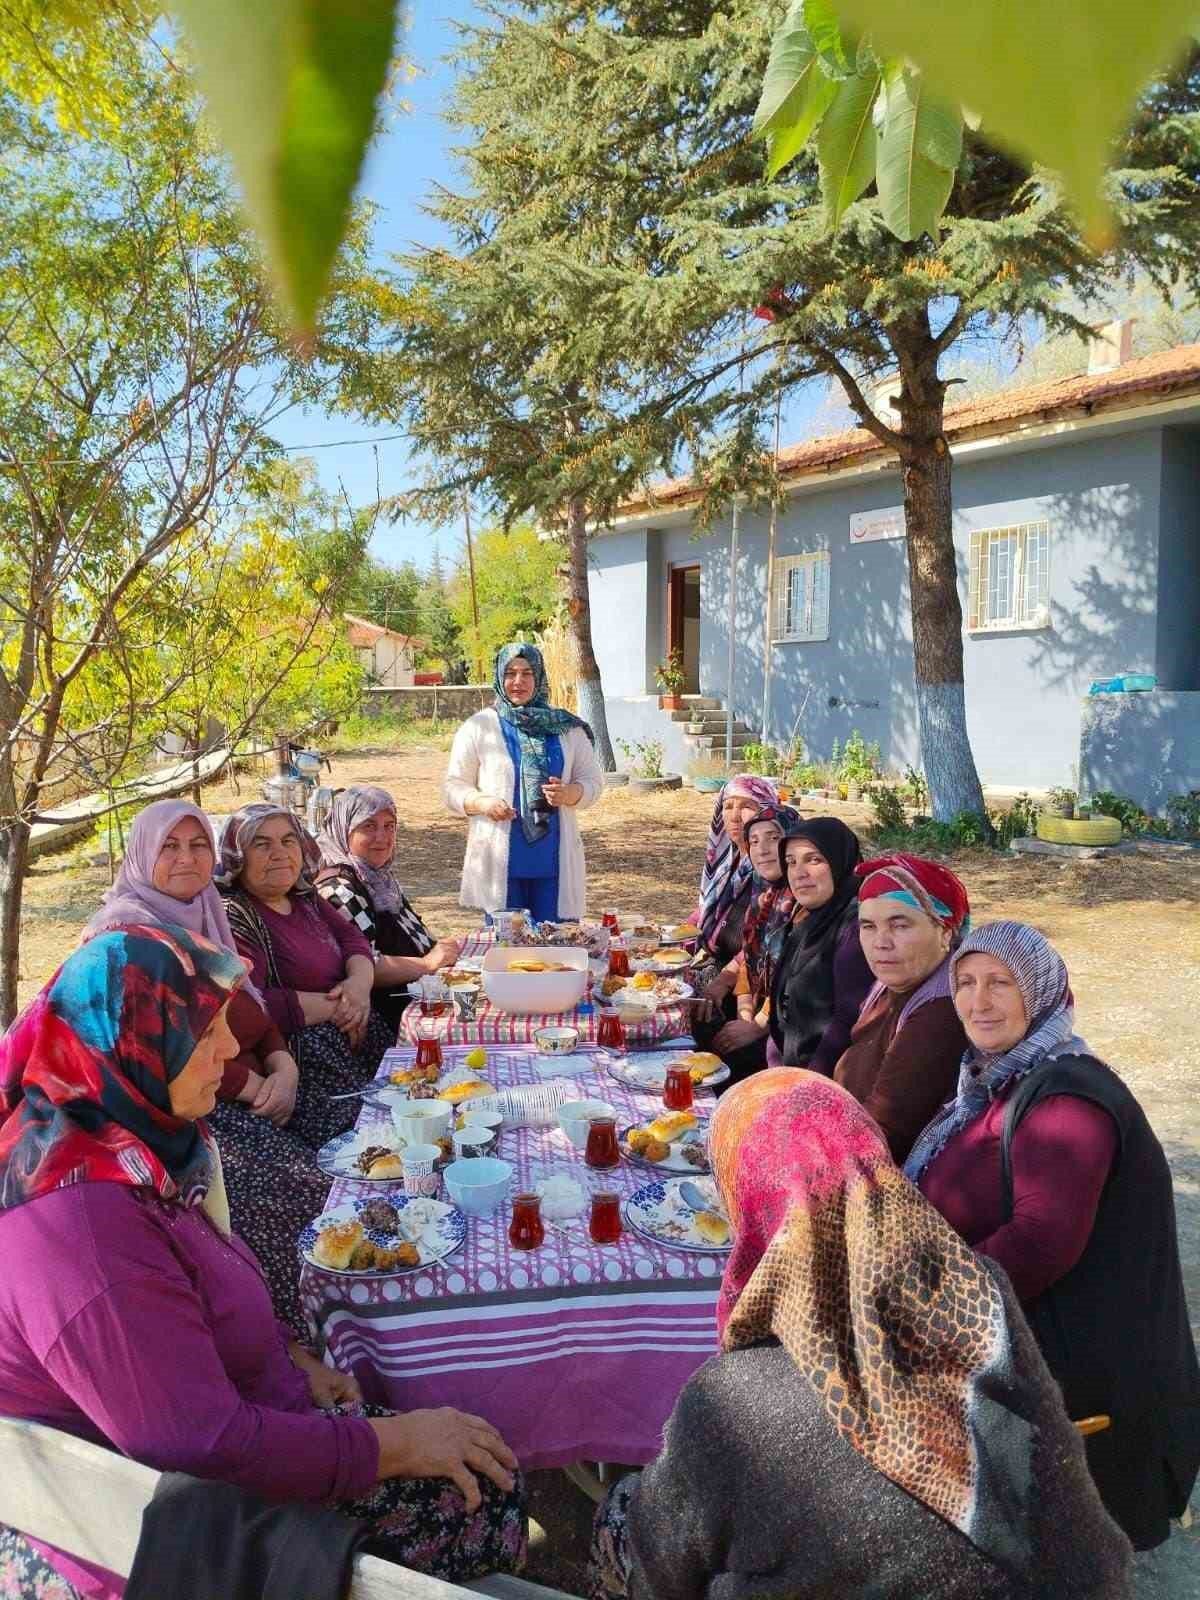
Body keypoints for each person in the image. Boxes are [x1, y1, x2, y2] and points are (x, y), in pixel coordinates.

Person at [0, 926, 526, 1596]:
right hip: (151, 1533)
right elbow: (199, 1444)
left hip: (218, 1457)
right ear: (132, 1041)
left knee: (472, 1453)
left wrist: (290, 1356)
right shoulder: (81, 1228)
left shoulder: (121, 1138)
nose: (228, 1049)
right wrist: (396, 1446)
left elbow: (189, 1301)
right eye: (206, 1031)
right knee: (486, 1494)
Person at [588, 1069, 1132, 1600]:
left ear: (745, 1197)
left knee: (623, 1513)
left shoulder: (733, 1394)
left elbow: (661, 1569)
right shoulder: (976, 1285)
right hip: (1077, 1581)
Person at [908, 920, 1200, 1551]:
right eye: (965, 982)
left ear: (1038, 991)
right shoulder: (997, 1076)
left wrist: (925, 1300)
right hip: (1015, 1336)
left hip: (1076, 1376)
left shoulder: (1068, 1095)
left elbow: (1041, 1242)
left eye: (1001, 983)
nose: (978, 1001)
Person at [83, 798, 300, 1123]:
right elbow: (159, 1052)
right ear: (143, 853)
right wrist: (255, 1088)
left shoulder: (208, 911)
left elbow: (252, 1010)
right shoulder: (127, 936)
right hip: (191, 1116)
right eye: (169, 846)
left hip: (260, 1092)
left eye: (198, 845)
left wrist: (285, 1067)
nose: (186, 858)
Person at [443, 643, 604, 924]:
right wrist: (483, 803)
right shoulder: (479, 727)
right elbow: (452, 787)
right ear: (499, 677)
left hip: (554, 865)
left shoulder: (567, 728)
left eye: (527, 673)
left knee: (559, 954)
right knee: (508, 956)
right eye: (510, 673)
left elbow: (593, 782)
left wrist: (570, 794)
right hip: (502, 865)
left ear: (539, 676)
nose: (518, 681)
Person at [832, 852, 970, 1163]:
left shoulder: (939, 1013)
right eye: (868, 926)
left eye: (900, 925)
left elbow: (881, 1137)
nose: (880, 942)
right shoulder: (890, 985)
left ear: (945, 932)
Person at [316, 786, 462, 1027]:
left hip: (420, 998)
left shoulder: (377, 878)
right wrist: (428, 964)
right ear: (344, 830)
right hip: (388, 1019)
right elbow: (363, 964)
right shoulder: (339, 889)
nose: (382, 838)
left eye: (389, 826)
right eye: (368, 826)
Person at [691, 802, 797, 1077]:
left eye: (774, 838)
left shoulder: (803, 902)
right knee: (699, 1029)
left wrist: (757, 1025)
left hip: (790, 1026)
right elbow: (749, 959)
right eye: (754, 841)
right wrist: (744, 1015)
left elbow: (794, 981)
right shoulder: (765, 897)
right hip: (759, 1008)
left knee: (729, 1059)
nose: (761, 849)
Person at [766, 817, 874, 1074]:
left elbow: (846, 1021)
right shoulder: (807, 919)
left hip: (824, 1084)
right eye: (791, 862)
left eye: (814, 860)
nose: (799, 873)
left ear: (839, 861)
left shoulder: (858, 927)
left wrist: (804, 1085)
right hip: (789, 1071)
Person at [690, 777, 778, 1025]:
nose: (735, 816)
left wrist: (724, 980)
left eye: (746, 806)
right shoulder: (729, 861)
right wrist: (672, 938)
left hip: (743, 980)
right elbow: (708, 910)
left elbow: (761, 939)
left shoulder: (770, 867)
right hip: (713, 964)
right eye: (728, 807)